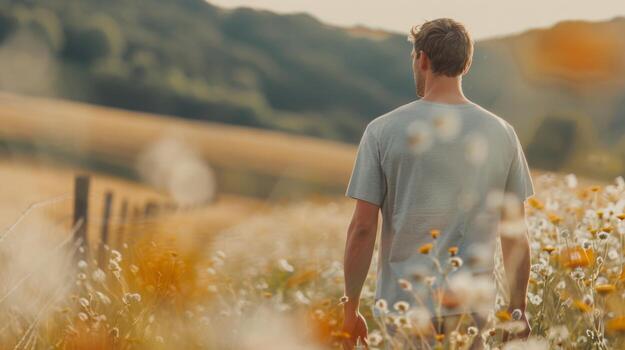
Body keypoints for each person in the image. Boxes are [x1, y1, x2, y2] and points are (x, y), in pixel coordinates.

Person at [341, 18, 534, 350]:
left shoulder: (381, 131)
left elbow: (362, 228)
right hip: (471, 314)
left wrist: (350, 307)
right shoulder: (502, 133)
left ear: (423, 59)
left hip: (404, 311)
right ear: (466, 64)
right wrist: (517, 309)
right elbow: (515, 233)